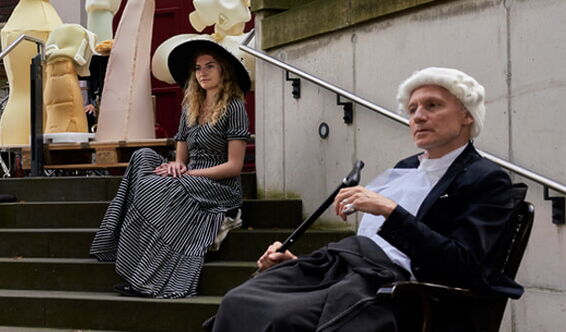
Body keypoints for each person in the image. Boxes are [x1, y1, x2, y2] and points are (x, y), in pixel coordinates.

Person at [205, 67, 523, 331]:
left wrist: (390, 211)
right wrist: (298, 263)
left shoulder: (485, 178)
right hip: (347, 269)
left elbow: (462, 264)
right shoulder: (405, 168)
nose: (418, 117)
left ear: (467, 116)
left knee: (285, 319)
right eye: (413, 109)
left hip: (401, 289)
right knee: (239, 301)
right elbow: (371, 246)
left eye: (432, 106)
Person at [89, 39, 252, 298]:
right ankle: (125, 248)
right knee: (142, 158)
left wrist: (187, 173)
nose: (203, 73)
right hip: (189, 178)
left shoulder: (234, 107)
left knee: (159, 187)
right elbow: (181, 157)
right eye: (198, 68)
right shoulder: (191, 106)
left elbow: (234, 166)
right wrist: (177, 165)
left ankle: (148, 279)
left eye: (210, 66)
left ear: (224, 70)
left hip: (220, 187)